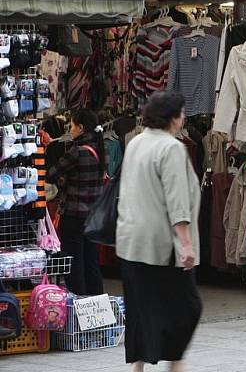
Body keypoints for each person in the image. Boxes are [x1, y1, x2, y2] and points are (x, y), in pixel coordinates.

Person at [116, 91, 202, 372]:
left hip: (131, 242)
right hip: (162, 247)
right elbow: (177, 200)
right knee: (186, 309)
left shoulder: (136, 143)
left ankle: (138, 368)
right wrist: (186, 244)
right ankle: (174, 363)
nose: (184, 118)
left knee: (141, 311)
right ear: (173, 118)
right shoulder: (171, 148)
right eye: (182, 113)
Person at [47, 109, 105, 296]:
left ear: (80, 128)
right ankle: (96, 302)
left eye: (71, 126)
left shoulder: (77, 152)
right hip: (93, 215)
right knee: (91, 260)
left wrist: (50, 149)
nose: (70, 129)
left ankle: (77, 301)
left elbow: (52, 173)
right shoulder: (99, 150)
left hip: (74, 214)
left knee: (74, 262)